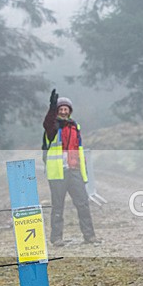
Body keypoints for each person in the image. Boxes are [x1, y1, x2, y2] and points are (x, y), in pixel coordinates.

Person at [43, 89, 100, 246]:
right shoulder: (52, 127)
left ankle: (90, 236)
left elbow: (80, 151)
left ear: (69, 111)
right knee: (58, 207)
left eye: (65, 109)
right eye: (60, 109)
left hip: (74, 171)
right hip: (57, 173)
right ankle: (56, 239)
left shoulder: (76, 127)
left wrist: (84, 174)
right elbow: (47, 123)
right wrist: (51, 108)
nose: (63, 111)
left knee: (83, 204)